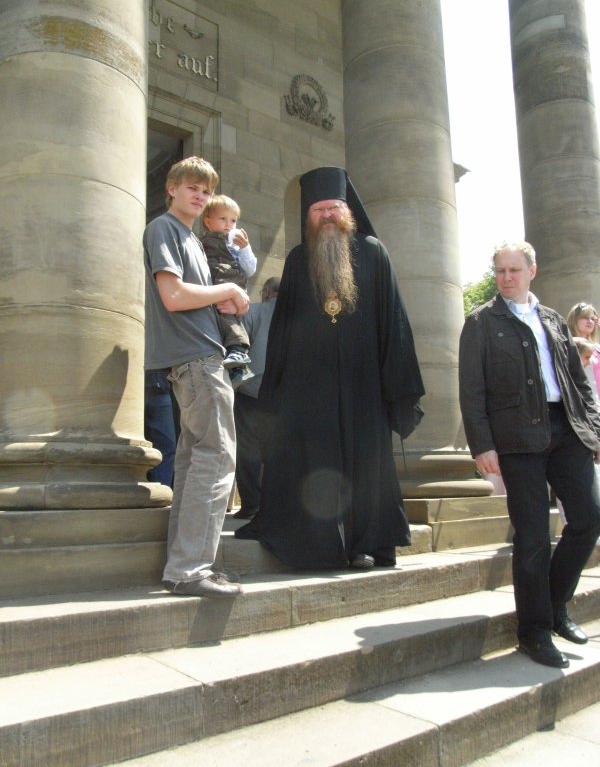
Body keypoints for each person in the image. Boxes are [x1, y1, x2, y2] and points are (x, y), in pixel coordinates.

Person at [235, 166, 425, 570]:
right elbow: (283, 331)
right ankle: (315, 545)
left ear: (347, 210)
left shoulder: (373, 252)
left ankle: (365, 544)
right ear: (308, 216)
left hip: (363, 384)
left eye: (333, 208)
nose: (326, 216)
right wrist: (278, 389)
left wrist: (396, 384)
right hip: (310, 386)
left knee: (365, 464)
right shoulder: (297, 259)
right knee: (313, 465)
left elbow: (394, 321)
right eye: (318, 210)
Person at [458, 241, 600, 668]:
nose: (506, 278)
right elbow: (472, 390)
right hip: (517, 438)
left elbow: (579, 382)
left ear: (531, 271)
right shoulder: (481, 322)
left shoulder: (553, 319)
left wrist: (593, 430)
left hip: (567, 430)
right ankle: (534, 631)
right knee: (533, 536)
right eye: (500, 270)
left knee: (590, 517)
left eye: (514, 270)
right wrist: (482, 445)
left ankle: (555, 606)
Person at [143, 156, 250, 597]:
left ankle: (182, 567)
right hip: (198, 359)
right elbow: (172, 296)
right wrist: (228, 290)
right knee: (216, 458)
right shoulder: (164, 228)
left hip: (198, 358)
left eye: (206, 191)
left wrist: (225, 297)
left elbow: (194, 296)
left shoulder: (191, 237)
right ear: (171, 188)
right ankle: (190, 570)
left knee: (193, 464)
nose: (200, 196)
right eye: (192, 187)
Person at [231, 276, 280, 519]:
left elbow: (239, 346)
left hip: (251, 390)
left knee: (247, 449)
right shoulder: (295, 315)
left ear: (267, 292)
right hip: (282, 393)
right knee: (278, 450)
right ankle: (277, 505)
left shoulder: (254, 311)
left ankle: (252, 504)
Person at [201, 195, 257, 388]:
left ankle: (239, 352)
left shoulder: (235, 245)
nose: (228, 224)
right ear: (208, 222)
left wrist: (245, 248)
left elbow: (250, 269)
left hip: (232, 285)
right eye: (222, 219)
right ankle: (237, 367)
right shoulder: (201, 243)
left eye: (233, 220)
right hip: (215, 287)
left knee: (229, 319)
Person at [144, 368, 180, 487]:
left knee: (166, 448)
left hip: (160, 383)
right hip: (158, 381)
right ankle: (160, 491)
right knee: (166, 448)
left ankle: (159, 491)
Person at [567, 302, 600, 399]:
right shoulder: (568, 346)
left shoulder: (597, 348)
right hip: (584, 401)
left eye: (593, 319)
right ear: (574, 320)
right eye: (585, 318)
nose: (590, 321)